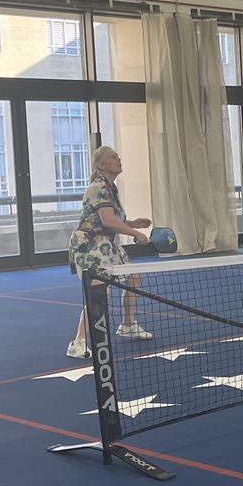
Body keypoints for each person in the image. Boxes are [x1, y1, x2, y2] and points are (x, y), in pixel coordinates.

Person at [66, 146, 153, 358]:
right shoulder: (98, 188)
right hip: (90, 245)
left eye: (118, 157)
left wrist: (134, 223)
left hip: (108, 243)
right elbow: (108, 221)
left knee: (133, 279)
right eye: (113, 157)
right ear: (101, 164)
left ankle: (128, 324)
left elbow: (110, 219)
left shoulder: (110, 188)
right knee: (99, 291)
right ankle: (78, 342)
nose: (118, 160)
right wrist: (135, 233)